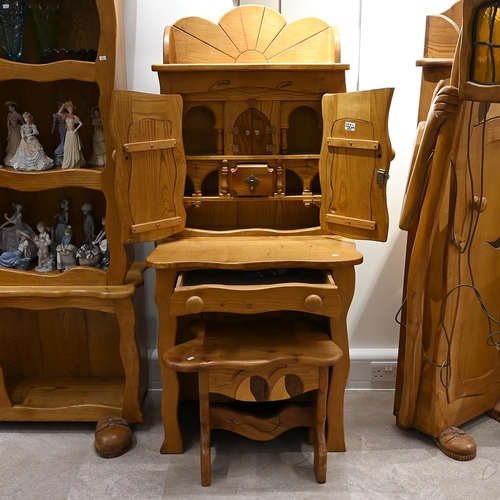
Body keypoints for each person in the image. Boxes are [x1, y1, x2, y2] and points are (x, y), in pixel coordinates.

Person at [58, 100, 85, 169]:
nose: (71, 110)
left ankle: (75, 163)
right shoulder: (66, 116)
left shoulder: (74, 116)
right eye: (69, 109)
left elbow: (81, 123)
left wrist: (76, 129)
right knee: (67, 147)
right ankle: (68, 162)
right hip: (68, 133)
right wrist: (63, 106)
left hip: (73, 133)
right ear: (67, 109)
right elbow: (59, 113)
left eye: (71, 109)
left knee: (73, 147)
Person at [4, 101, 23, 166]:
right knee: (11, 143)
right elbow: (8, 123)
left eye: (10, 107)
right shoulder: (9, 115)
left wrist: (23, 129)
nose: (9, 109)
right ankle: (12, 156)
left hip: (17, 129)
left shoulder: (18, 115)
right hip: (11, 130)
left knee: (17, 142)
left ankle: (18, 156)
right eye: (8, 108)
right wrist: (9, 130)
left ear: (13, 107)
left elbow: (23, 122)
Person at [51, 98, 66, 165]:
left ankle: (64, 151)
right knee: (62, 139)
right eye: (59, 107)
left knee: (66, 139)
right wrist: (53, 129)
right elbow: (54, 122)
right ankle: (59, 151)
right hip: (61, 127)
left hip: (66, 127)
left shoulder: (66, 113)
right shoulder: (56, 114)